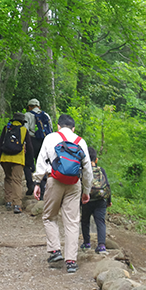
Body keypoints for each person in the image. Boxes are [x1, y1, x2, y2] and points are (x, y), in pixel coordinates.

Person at [33, 114, 93, 273]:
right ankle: (71, 261)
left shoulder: (51, 138)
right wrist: (86, 190)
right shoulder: (80, 141)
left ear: (58, 126)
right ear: (73, 128)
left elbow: (40, 161)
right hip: (74, 184)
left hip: (54, 180)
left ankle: (55, 251)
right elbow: (87, 169)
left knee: (49, 216)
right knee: (72, 221)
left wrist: (37, 182)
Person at [0, 112, 34, 214]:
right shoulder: (24, 130)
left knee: (8, 178)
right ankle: (17, 204)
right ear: (22, 122)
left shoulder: (6, 129)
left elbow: (1, 143)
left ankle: (8, 201)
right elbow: (29, 148)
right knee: (17, 180)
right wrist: (31, 163)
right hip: (18, 159)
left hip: (5, 158)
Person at [80, 146, 112, 254]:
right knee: (100, 222)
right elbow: (107, 185)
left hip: (86, 200)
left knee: (85, 221)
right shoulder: (101, 170)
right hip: (101, 200)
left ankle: (86, 243)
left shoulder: (83, 171)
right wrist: (109, 200)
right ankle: (102, 245)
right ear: (96, 159)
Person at [24, 98, 53, 197]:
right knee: (42, 164)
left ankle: (30, 185)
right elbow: (50, 130)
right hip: (44, 142)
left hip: (31, 141)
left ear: (29, 107)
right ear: (39, 107)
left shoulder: (27, 115)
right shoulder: (46, 115)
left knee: (27, 164)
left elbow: (25, 130)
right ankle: (42, 188)